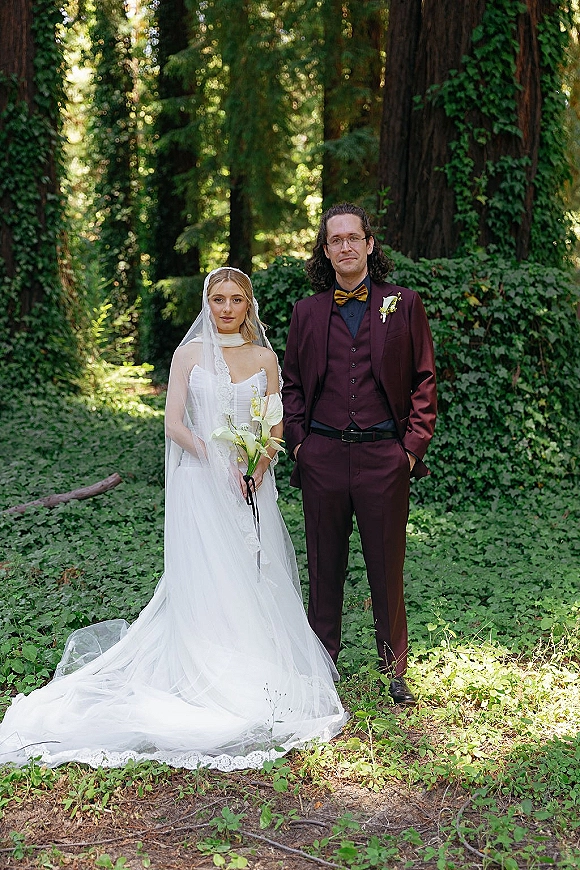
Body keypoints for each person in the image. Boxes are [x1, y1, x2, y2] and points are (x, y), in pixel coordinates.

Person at [0, 267, 347, 770]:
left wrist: (257, 465)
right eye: (218, 299)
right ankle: (202, 668)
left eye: (236, 299)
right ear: (207, 303)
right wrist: (210, 456)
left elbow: (273, 424)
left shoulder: (266, 359)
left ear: (249, 305)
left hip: (251, 484)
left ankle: (249, 666)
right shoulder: (188, 355)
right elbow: (173, 422)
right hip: (200, 482)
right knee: (208, 577)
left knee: (252, 574)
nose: (227, 308)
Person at [282, 204, 437, 705]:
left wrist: (410, 450)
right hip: (323, 454)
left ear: (370, 244)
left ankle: (394, 669)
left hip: (383, 459)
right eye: (335, 241)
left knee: (386, 566)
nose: (345, 247)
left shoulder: (404, 304)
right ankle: (322, 663)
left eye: (354, 237)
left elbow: (424, 380)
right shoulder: (306, 312)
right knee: (324, 566)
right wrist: (302, 445)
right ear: (325, 252)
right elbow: (293, 385)